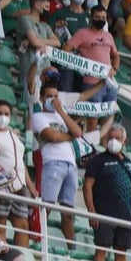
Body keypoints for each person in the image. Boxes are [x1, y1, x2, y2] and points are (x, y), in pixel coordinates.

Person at [31, 81, 84, 246]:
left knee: (68, 212)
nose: (53, 100)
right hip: (52, 162)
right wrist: (69, 137)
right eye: (49, 96)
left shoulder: (61, 114)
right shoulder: (37, 116)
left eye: (55, 96)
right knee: (47, 206)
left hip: (70, 165)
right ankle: (39, 241)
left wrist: (61, 111)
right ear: (41, 98)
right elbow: (52, 136)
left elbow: (78, 132)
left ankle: (71, 248)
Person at [83, 124, 131, 261]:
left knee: (121, 253)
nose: (113, 141)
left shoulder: (128, 163)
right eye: (111, 137)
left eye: (117, 138)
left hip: (125, 216)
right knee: (101, 250)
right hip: (104, 215)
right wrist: (92, 212)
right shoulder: (98, 160)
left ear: (124, 141)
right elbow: (87, 186)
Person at [0, 101, 32, 250]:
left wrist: (31, 186)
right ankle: (1, 255)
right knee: (1, 222)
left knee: (22, 224)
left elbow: (20, 162)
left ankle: (21, 260)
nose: (3, 117)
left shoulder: (14, 135)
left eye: (6, 114)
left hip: (19, 185)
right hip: (2, 184)